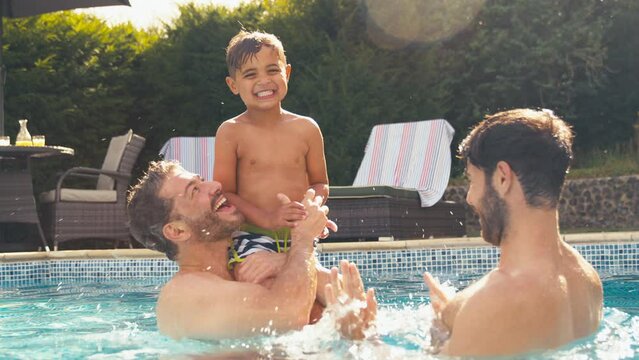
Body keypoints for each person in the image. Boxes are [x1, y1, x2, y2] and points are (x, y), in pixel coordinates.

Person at [329, 109, 604, 356]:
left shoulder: (494, 304)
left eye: (472, 180)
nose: (471, 198)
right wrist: (455, 321)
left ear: (502, 178)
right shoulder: (587, 280)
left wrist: (361, 339)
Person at [127, 161, 334, 340]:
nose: (216, 185)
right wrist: (303, 239)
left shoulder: (247, 265)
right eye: (195, 190)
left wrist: (283, 261)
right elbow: (289, 317)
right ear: (177, 230)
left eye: (202, 180)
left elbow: (355, 305)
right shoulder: (183, 294)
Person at [214, 30, 334, 286]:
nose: (263, 81)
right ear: (233, 85)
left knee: (321, 296)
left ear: (286, 73)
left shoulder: (307, 129)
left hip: (299, 236)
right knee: (265, 287)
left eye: (272, 70)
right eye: (250, 74)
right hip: (251, 235)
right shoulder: (231, 132)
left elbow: (320, 183)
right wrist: (268, 219)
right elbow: (225, 194)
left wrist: (310, 208)